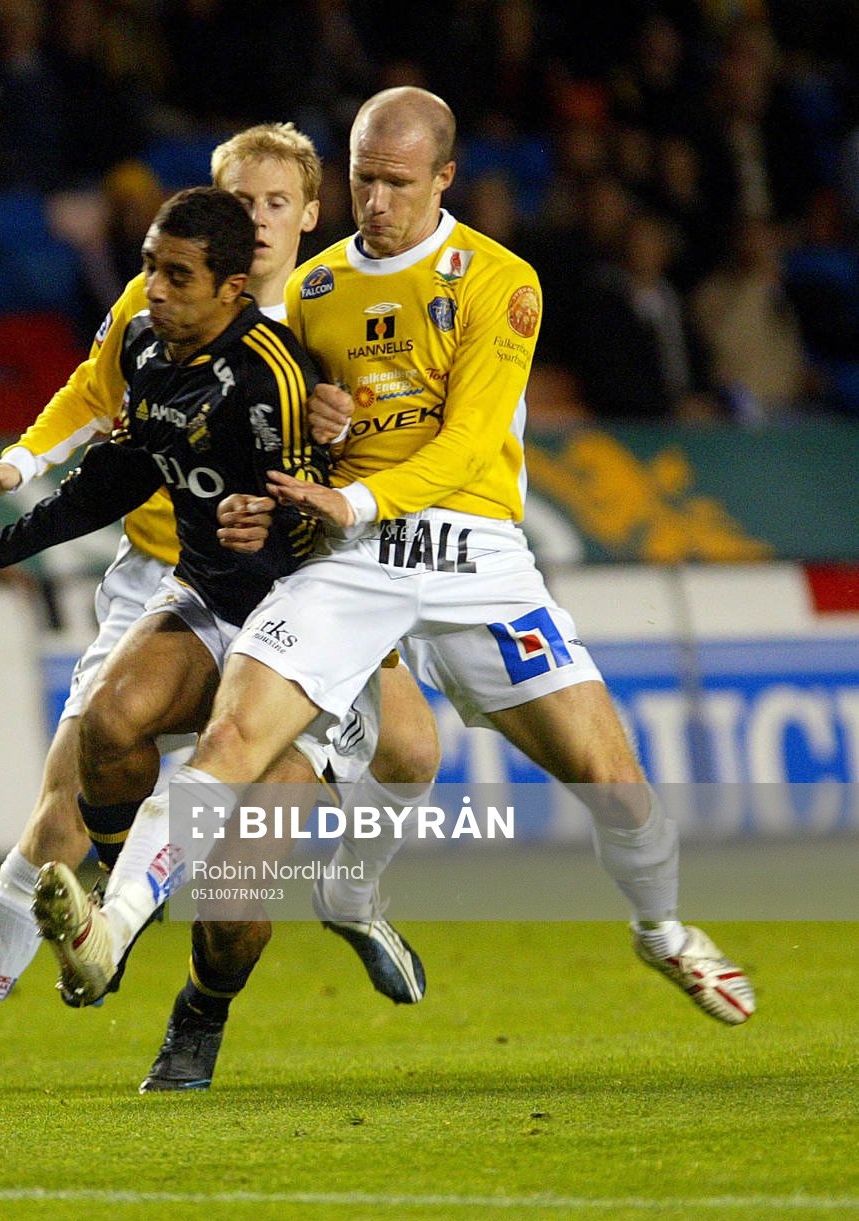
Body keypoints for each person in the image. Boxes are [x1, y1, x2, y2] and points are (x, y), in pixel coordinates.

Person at [49, 87, 755, 1031]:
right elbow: (273, 417)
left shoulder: (498, 279)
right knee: (233, 741)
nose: (375, 201)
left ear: (443, 179)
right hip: (349, 558)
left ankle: (660, 929)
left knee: (616, 786)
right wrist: (313, 451)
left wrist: (356, 491)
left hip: (475, 556)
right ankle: (110, 931)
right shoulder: (312, 291)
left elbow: (468, 443)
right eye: (361, 180)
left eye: (396, 182)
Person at [0, 123, 444, 1090]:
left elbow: (392, 441)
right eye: (238, 202)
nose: (254, 222)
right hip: (183, 575)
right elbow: (107, 428)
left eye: (273, 204)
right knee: (76, 785)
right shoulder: (159, 299)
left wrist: (329, 453)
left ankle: (209, 991)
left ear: (306, 215)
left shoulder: (341, 309)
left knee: (302, 829)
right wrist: (16, 488)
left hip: (310, 590)